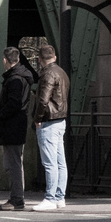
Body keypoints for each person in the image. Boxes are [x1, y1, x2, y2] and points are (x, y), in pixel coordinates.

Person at [0, 46, 34, 210]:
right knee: (15, 162)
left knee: (13, 164)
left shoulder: (15, 79)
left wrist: (0, 115)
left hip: (12, 126)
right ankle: (17, 198)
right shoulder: (23, 76)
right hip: (17, 125)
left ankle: (16, 199)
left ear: (5, 60)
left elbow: (14, 103)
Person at [33, 43, 69, 211]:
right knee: (60, 162)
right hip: (60, 120)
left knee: (49, 163)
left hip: (48, 120)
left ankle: (50, 198)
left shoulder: (47, 74)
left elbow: (43, 99)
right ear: (54, 57)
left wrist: (38, 118)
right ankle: (60, 197)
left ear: (40, 60)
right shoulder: (62, 73)